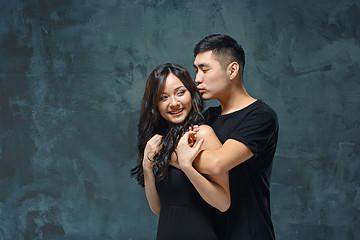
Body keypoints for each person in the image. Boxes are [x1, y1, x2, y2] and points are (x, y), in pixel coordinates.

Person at [176, 34, 279, 239]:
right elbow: (172, 150)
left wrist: (179, 157)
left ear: (232, 70)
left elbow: (217, 164)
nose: (197, 78)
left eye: (205, 70)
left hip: (249, 232)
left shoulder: (261, 116)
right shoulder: (207, 117)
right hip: (210, 231)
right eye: (196, 70)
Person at [131, 63, 231, 240]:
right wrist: (147, 166)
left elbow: (223, 203)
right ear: (155, 104)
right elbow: (159, 209)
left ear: (191, 94)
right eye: (163, 97)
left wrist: (187, 166)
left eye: (180, 92)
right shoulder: (161, 142)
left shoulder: (202, 134)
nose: (174, 103)